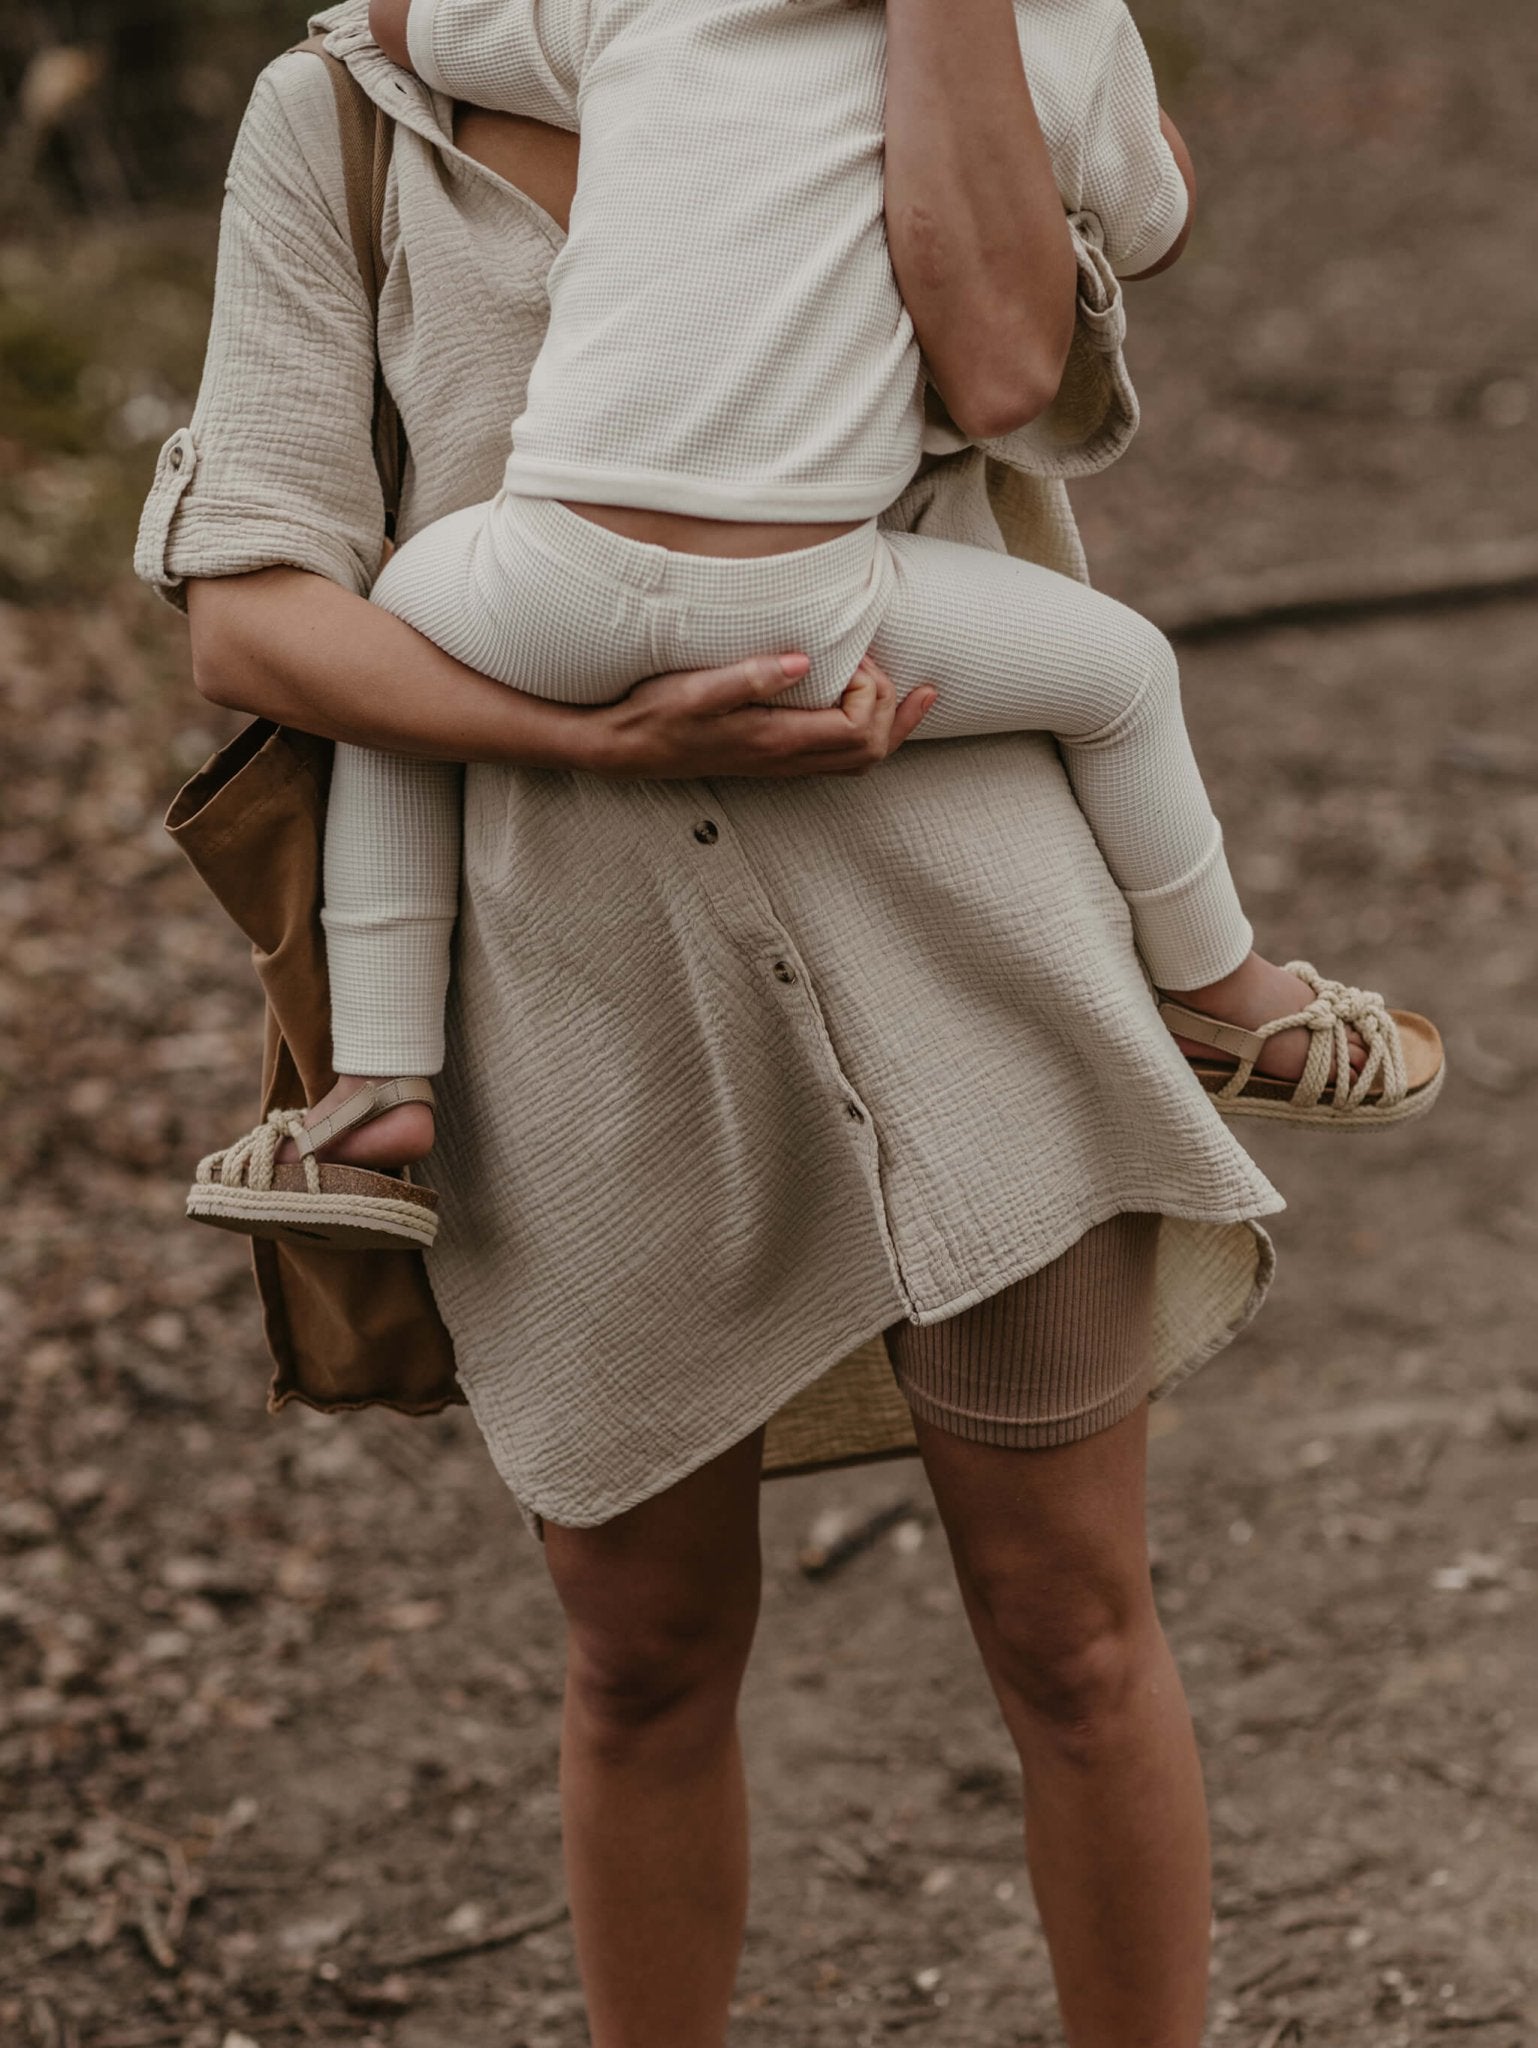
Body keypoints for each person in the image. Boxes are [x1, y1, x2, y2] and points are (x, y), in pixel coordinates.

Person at [140, 3, 1310, 2037]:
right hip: (581, 1022)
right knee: (643, 1658)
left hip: (974, 959)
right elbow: (249, 610)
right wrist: (573, 729)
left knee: (1071, 1634)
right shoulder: (338, 121)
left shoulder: (937, 41)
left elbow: (1015, 372)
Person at [181, 0, 1442, 1254]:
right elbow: (1154, 218)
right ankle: (1227, 993)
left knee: (395, 634)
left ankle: (378, 1084)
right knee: (1121, 671)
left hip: (550, 587)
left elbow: (401, 27)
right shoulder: (1054, 38)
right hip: (811, 616)